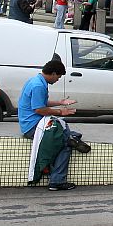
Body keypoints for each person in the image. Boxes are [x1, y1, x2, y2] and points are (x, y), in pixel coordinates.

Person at [18, 58, 90, 191]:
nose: (58, 80)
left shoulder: (36, 80)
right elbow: (39, 109)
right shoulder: (39, 86)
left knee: (70, 135)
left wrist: (61, 102)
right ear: (53, 73)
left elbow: (42, 103)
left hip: (32, 123)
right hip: (33, 127)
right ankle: (57, 181)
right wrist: (61, 112)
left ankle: (69, 141)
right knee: (65, 144)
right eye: (58, 76)